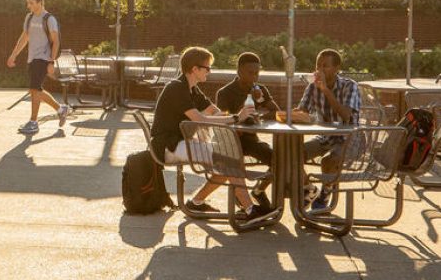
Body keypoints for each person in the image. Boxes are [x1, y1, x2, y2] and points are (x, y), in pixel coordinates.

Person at [150, 46, 271, 221]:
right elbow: (200, 118)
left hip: (181, 142)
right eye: (207, 68)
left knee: (228, 158)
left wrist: (240, 113)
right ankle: (250, 209)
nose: (210, 71)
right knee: (229, 159)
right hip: (168, 146)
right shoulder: (176, 88)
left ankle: (197, 202)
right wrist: (237, 117)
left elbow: (216, 112)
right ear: (195, 69)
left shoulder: (192, 88)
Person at [299, 48, 361, 214]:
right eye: (318, 65)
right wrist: (284, 114)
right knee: (293, 154)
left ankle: (325, 194)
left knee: (328, 161)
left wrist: (325, 90)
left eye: (325, 66)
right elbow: (301, 112)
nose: (320, 69)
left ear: (337, 68)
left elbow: (346, 116)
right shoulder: (312, 87)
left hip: (349, 138)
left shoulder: (350, 86)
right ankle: (310, 189)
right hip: (325, 137)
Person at [215, 52, 278, 207]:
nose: (254, 77)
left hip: (251, 140)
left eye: (257, 73)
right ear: (239, 71)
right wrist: (247, 103)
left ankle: (258, 190)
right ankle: (240, 198)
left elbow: (276, 112)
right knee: (234, 163)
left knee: (278, 160)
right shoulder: (225, 93)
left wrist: (261, 108)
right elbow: (225, 122)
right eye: (250, 73)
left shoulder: (260, 89)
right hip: (231, 142)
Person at [6, 0, 69, 134]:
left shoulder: (49, 19)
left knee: (34, 89)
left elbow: (56, 41)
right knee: (35, 89)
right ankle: (61, 109)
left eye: (31, 3)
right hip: (32, 58)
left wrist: (51, 62)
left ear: (40, 2)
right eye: (28, 2)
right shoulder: (29, 18)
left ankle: (33, 122)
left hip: (44, 58)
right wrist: (13, 54)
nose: (28, 5)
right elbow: (24, 38)